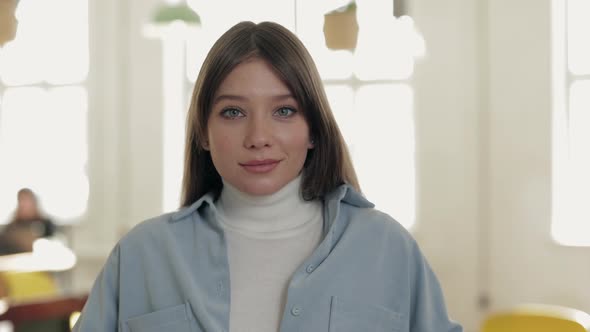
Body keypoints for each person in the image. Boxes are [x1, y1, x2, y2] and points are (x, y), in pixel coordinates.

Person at [74, 21, 462, 331]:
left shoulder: (387, 248)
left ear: (314, 129)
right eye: (233, 112)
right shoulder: (141, 255)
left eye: (284, 111)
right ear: (202, 134)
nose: (258, 138)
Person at [0, 188, 56, 255]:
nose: (24, 205)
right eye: (21, 201)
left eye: (27, 201)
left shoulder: (46, 224)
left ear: (34, 202)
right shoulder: (12, 227)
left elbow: (53, 244)